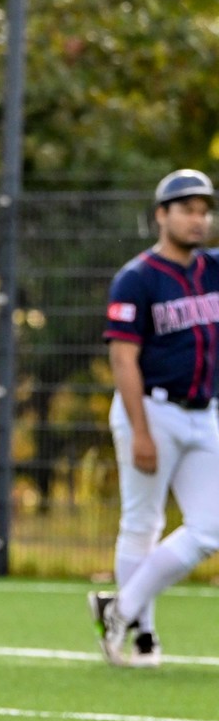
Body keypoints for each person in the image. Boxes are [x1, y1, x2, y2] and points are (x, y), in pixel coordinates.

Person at [90, 169, 219, 667]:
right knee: (142, 522)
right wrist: (140, 429)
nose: (197, 218)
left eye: (203, 209)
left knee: (209, 527)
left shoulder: (212, 270)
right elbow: (123, 359)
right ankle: (142, 635)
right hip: (152, 410)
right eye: (186, 208)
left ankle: (118, 607)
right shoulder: (137, 278)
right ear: (161, 214)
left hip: (202, 412)